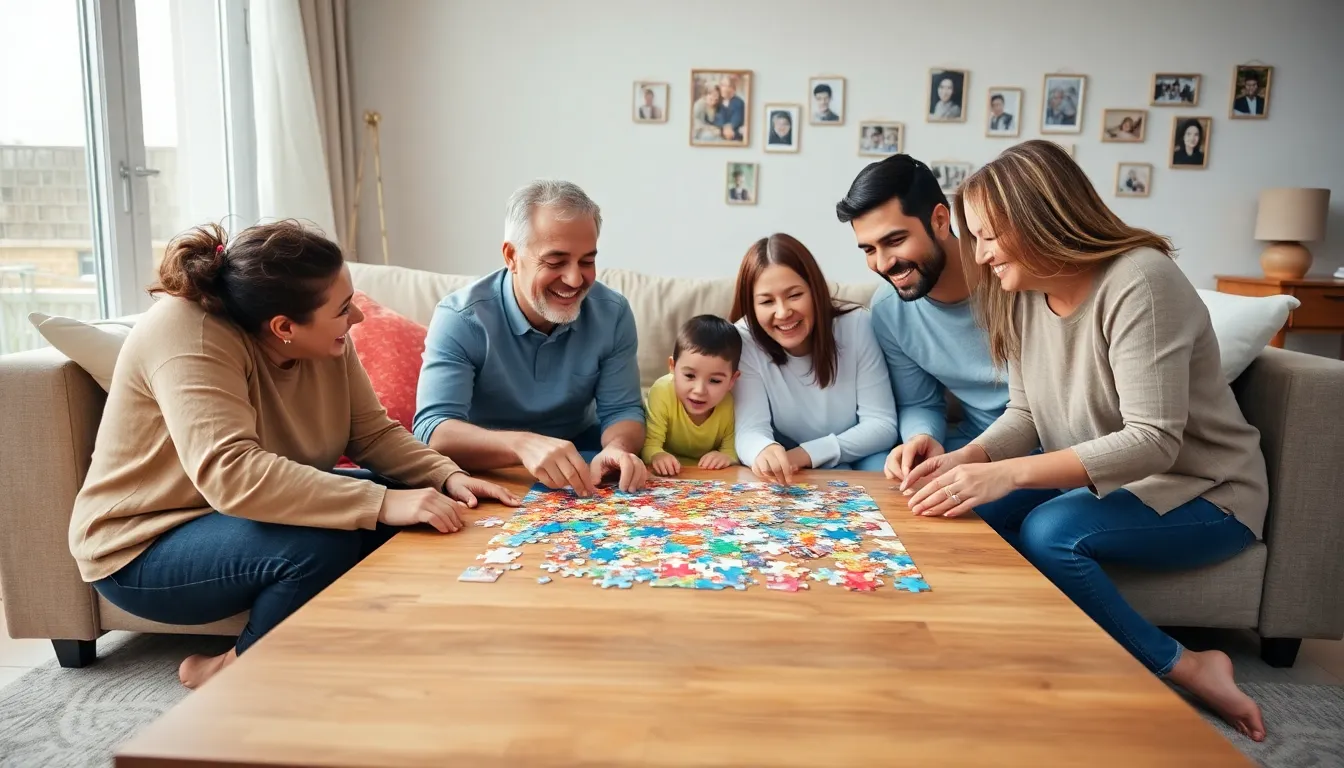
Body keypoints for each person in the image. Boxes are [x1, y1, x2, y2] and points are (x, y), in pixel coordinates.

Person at [905, 139, 1268, 741]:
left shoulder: (1141, 281)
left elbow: (1155, 442)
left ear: (1039, 215)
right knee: (967, 503)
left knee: (1051, 531)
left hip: (1204, 491)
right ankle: (999, 658)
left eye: (990, 234)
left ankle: (1188, 665)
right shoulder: (1019, 293)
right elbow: (1026, 412)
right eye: (975, 236)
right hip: (1115, 481)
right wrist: (966, 458)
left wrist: (1012, 473)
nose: (981, 253)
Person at [69, 221, 520, 690]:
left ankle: (373, 636)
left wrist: (445, 476)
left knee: (419, 500)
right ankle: (231, 668)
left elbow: (371, 432)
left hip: (251, 515)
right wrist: (380, 503)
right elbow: (233, 475)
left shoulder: (324, 336)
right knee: (325, 542)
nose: (358, 319)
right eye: (344, 310)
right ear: (283, 326)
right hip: (146, 545)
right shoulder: (187, 333)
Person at [414, 180, 648, 496]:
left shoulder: (613, 312)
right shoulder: (460, 317)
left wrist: (617, 448)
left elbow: (623, 411)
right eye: (555, 262)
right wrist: (522, 445)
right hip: (487, 470)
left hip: (583, 462)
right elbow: (433, 430)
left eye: (587, 261)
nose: (575, 279)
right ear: (512, 256)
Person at [835, 154, 1008, 482]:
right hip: (970, 446)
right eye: (869, 250)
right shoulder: (888, 309)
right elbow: (920, 402)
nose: (883, 263)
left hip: (1039, 452)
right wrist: (921, 438)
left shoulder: (1010, 278)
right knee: (880, 478)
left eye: (895, 241)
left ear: (940, 221)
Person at [730, 234, 897, 482]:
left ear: (814, 290)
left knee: (889, 475)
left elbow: (882, 425)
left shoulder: (857, 324)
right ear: (752, 306)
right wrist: (763, 450)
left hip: (860, 451)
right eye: (766, 301)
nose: (783, 312)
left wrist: (806, 454)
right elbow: (750, 430)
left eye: (794, 295)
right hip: (789, 458)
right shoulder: (744, 339)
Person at [643, 315, 741, 476]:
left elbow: (732, 450)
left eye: (715, 380)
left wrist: (726, 456)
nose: (699, 390)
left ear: (732, 380)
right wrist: (657, 455)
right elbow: (649, 445)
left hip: (708, 476)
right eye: (689, 376)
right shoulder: (662, 392)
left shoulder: (729, 402)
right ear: (673, 367)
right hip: (670, 475)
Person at [717, 76, 746, 141]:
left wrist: (729, 128)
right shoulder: (720, 102)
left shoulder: (738, 102)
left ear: (732, 89)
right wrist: (723, 128)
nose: (722, 89)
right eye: (721, 85)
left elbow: (737, 120)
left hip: (735, 135)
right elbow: (718, 119)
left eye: (725, 86)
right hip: (722, 134)